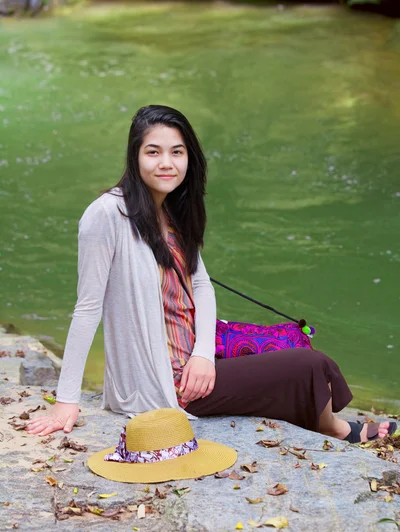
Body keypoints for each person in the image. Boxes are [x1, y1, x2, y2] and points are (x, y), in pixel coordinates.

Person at [27, 105, 395, 444]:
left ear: (190, 157)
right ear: (135, 156)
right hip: (167, 382)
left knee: (292, 343)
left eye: (177, 152)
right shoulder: (107, 214)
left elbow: (200, 284)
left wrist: (203, 354)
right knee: (309, 365)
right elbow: (88, 307)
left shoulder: (172, 210)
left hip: (199, 356)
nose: (166, 163)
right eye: (153, 152)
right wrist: (66, 401)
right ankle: (334, 428)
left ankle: (316, 414)